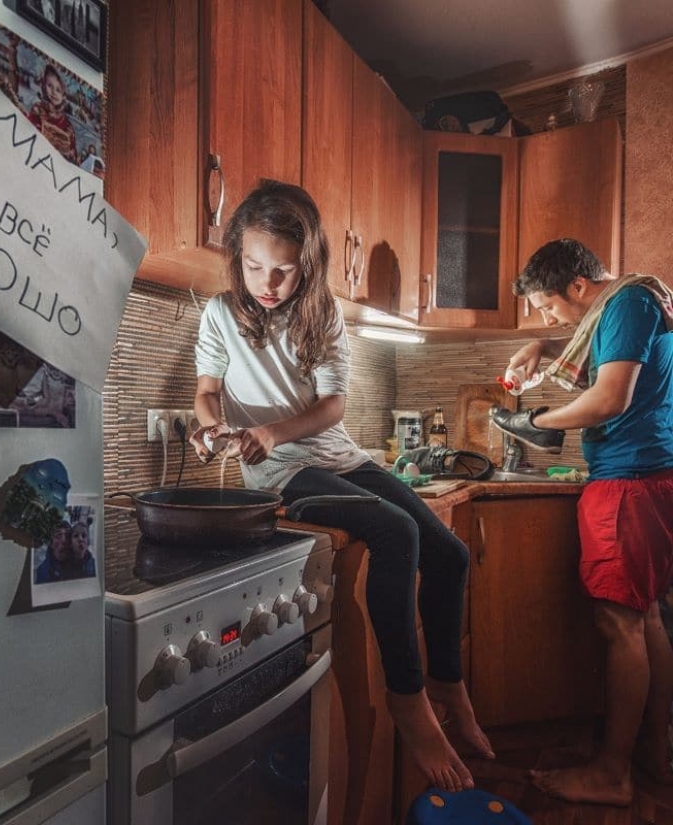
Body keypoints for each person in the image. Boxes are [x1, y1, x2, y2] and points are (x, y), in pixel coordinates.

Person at [189, 180, 494, 792]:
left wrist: (273, 428)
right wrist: (209, 428)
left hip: (338, 455)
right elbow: (205, 393)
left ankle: (447, 685)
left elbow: (332, 408)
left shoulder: (323, 312)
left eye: (283, 270)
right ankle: (409, 703)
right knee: (396, 530)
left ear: (309, 264)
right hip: (282, 475)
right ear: (236, 258)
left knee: (450, 554)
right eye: (253, 266)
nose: (267, 282)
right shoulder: (221, 313)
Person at [491, 238, 673, 806]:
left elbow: (609, 398)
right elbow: (601, 360)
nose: (549, 318)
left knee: (621, 626)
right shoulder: (635, 303)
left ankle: (611, 771)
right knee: (644, 620)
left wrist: (538, 422)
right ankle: (651, 749)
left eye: (549, 308)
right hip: (649, 478)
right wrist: (544, 344)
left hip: (627, 482)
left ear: (577, 286)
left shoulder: (627, 304)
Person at [27, 64, 78, 164]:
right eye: (50, 86)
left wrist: (69, 154)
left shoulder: (68, 127)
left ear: (64, 95)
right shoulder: (38, 109)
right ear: (44, 85)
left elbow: (73, 156)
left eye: (58, 90)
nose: (53, 92)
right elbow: (28, 132)